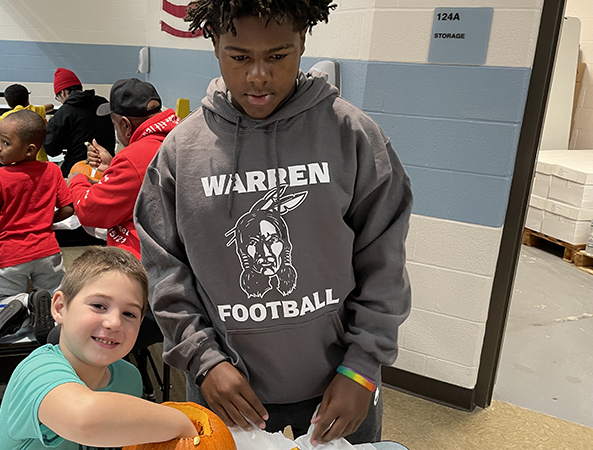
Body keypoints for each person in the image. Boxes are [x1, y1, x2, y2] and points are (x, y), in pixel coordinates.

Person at [134, 0, 413, 446]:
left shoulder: (354, 137)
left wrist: (362, 368)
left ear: (303, 43)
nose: (258, 76)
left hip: (340, 384)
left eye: (278, 56)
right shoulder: (180, 152)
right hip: (224, 387)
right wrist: (204, 360)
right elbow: (166, 270)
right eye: (240, 57)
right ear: (215, 45)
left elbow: (385, 264)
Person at [0, 246, 197, 449]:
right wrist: (182, 424)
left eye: (129, 314)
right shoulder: (37, 371)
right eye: (99, 306)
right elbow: (83, 419)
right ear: (60, 308)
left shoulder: (129, 378)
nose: (114, 322)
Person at [0, 110, 74, 346]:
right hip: (47, 250)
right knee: (55, 296)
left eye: (5, 143)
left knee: (3, 302)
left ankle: (25, 305)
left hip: (11, 253)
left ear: (29, 149)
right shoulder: (51, 171)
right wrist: (45, 222)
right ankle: (50, 322)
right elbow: (68, 209)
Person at [70, 78, 179, 259]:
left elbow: (89, 210)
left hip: (144, 261)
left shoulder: (135, 157)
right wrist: (114, 167)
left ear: (125, 125)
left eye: (115, 126)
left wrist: (77, 179)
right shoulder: (180, 135)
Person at [43, 68, 115, 177]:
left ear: (62, 92)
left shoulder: (65, 112)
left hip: (77, 170)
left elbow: (51, 149)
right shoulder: (103, 103)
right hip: (109, 168)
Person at [0, 84, 53, 162]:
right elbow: (51, 106)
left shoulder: (9, 116)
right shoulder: (36, 110)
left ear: (9, 104)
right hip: (39, 159)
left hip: (18, 161)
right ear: (27, 99)